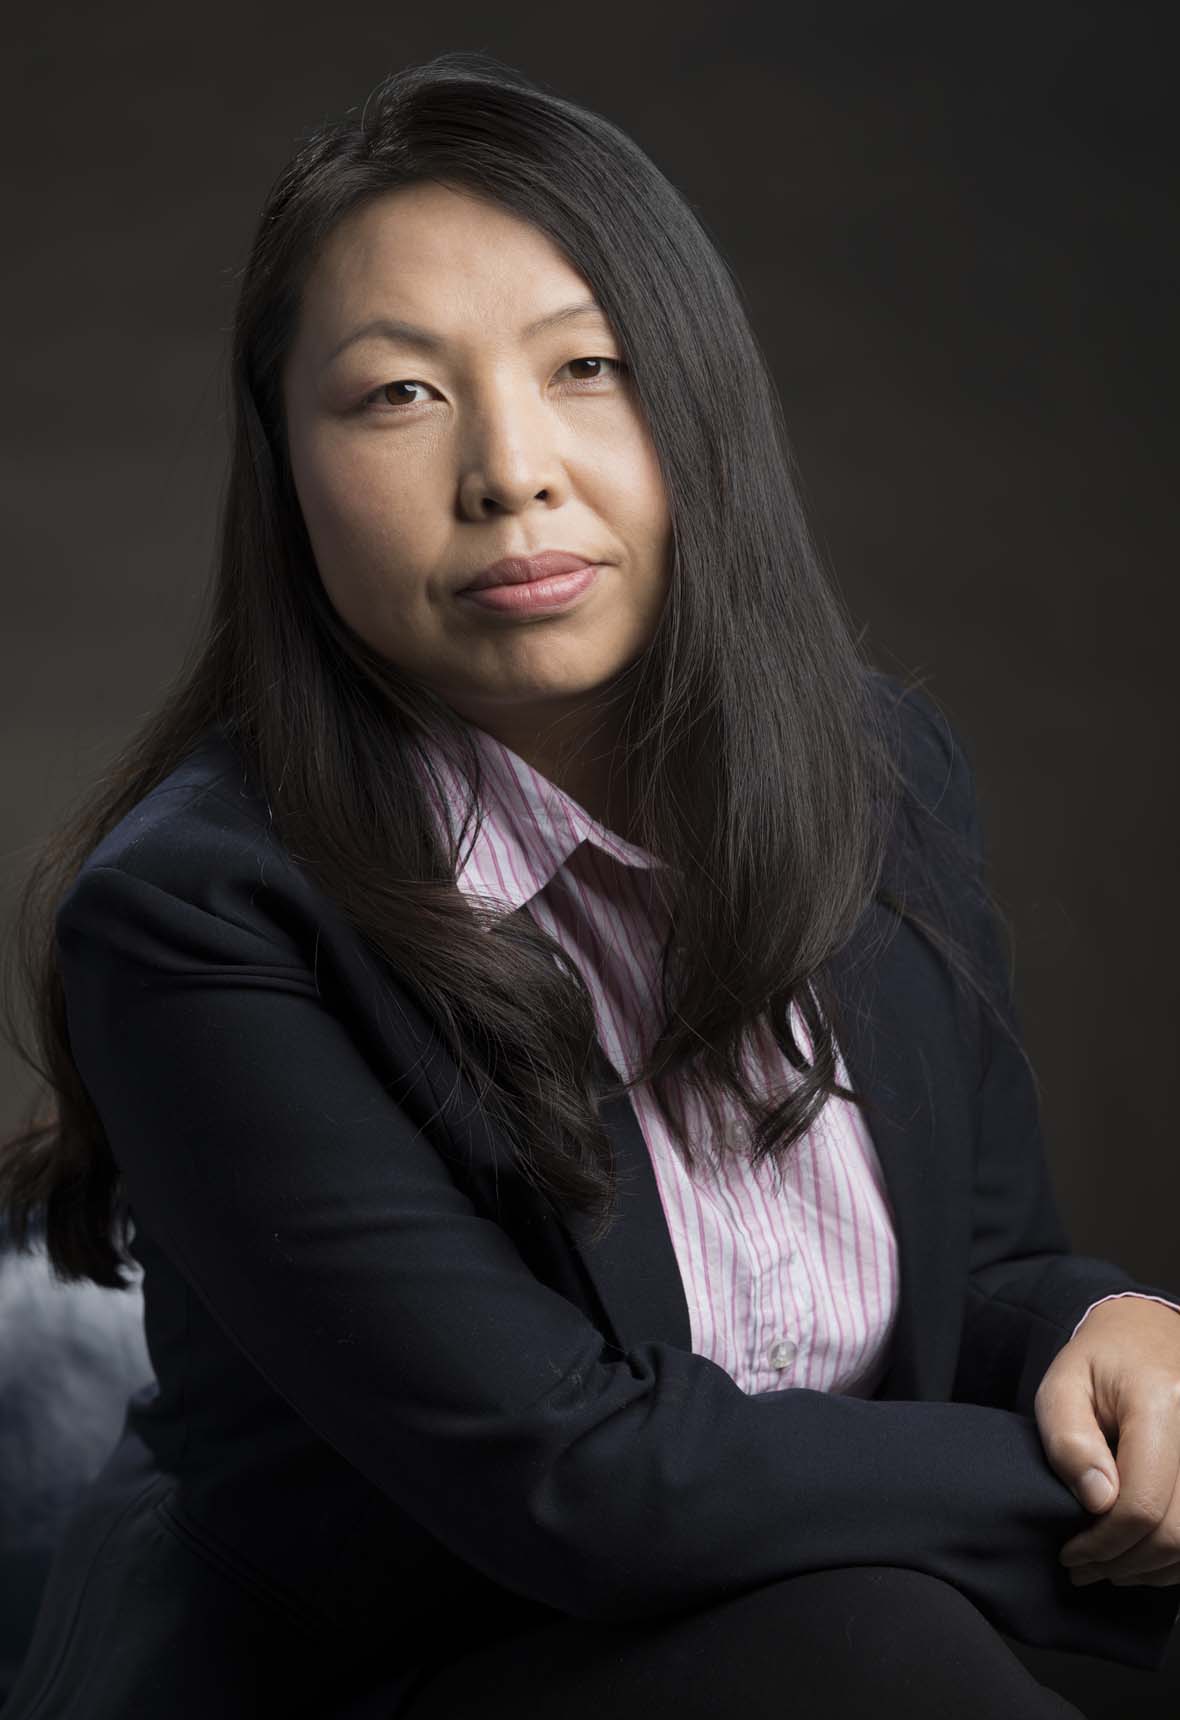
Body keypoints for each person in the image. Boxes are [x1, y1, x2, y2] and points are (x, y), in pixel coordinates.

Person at [1, 48, 1177, 1720]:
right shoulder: (198, 918)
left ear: (700, 401)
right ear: (283, 469)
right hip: (382, 1675)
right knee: (880, 1652)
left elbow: (978, 1280)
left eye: (589, 367)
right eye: (399, 395)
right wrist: (1085, 1505)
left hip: (815, 1622)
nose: (511, 470)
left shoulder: (881, 774)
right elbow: (577, 1477)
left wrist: (1118, 1330)